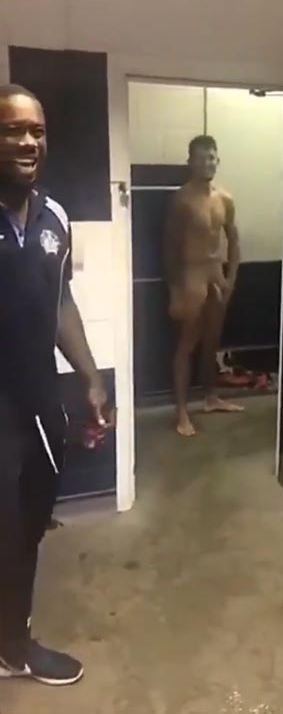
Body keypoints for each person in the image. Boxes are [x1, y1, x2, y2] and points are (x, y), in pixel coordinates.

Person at [0, 84, 108, 685]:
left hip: (40, 404)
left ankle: (11, 645)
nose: (28, 142)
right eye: (12, 130)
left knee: (27, 530)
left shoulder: (55, 218)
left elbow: (61, 302)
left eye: (37, 132)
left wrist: (90, 377)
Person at [165, 135, 243, 437]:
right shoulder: (182, 200)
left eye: (211, 157)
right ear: (191, 162)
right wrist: (174, 290)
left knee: (212, 341)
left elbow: (234, 240)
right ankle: (182, 412)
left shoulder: (225, 198)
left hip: (216, 274)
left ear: (217, 160)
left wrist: (231, 279)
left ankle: (211, 397)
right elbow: (169, 248)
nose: (207, 163)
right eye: (201, 158)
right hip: (191, 275)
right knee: (187, 344)